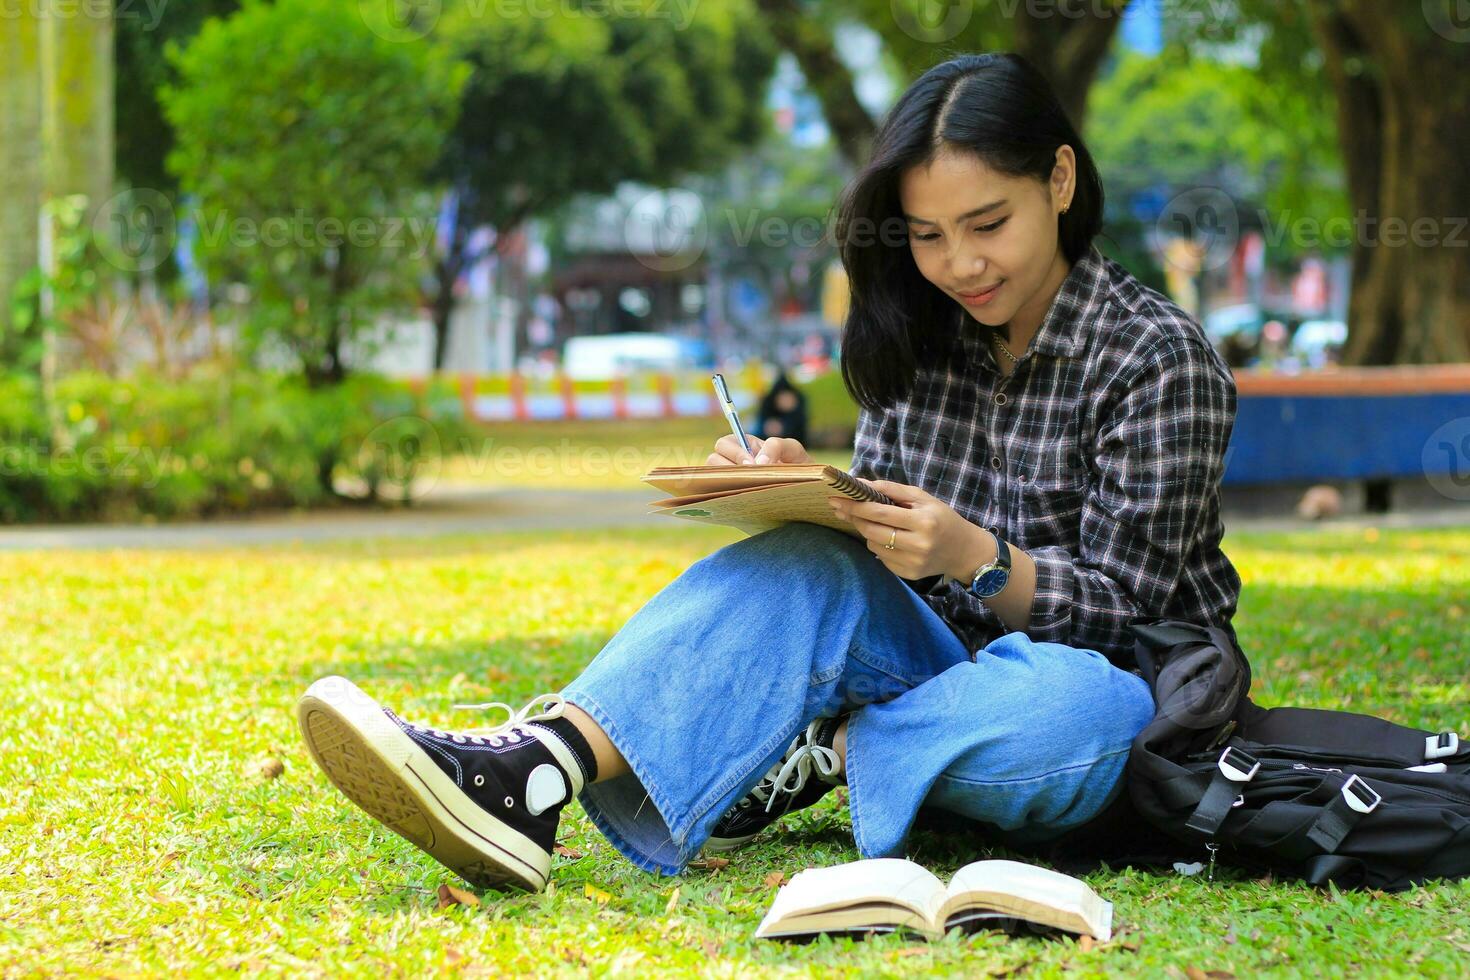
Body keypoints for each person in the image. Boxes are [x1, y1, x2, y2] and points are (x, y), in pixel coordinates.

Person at [296, 52, 1242, 893]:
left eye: (988, 223)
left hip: (1117, 699)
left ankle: (819, 749)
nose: (959, 263)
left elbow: (1135, 618)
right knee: (803, 557)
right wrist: (816, 497)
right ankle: (532, 772)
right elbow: (871, 572)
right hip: (930, 671)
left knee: (1070, 714)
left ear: (1062, 180)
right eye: (925, 235)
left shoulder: (1157, 357)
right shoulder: (918, 336)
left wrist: (975, 554)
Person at [753, 366, 809, 444]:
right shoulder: (768, 404)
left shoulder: (798, 406)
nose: (785, 401)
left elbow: (799, 427)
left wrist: (785, 427)